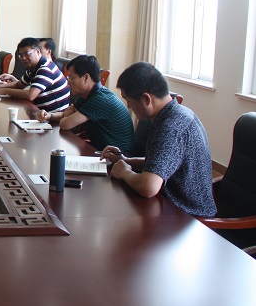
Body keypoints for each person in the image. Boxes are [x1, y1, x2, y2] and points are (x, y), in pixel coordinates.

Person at [100, 62, 216, 217]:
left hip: (188, 217)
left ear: (146, 99)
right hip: (171, 206)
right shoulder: (175, 113)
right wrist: (126, 160)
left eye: (129, 100)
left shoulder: (172, 127)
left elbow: (148, 187)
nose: (128, 106)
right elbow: (160, 163)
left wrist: (125, 172)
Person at [37, 55, 135, 154]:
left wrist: (67, 116)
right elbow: (66, 115)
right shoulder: (89, 94)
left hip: (118, 157)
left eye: (71, 78)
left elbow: (65, 124)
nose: (68, 83)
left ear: (86, 78)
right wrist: (49, 115)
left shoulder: (99, 99)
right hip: (103, 151)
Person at [0, 37, 70, 112]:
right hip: (41, 112)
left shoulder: (45, 68)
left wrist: (4, 91)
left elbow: (30, 95)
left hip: (53, 116)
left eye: (27, 54)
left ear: (38, 51)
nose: (23, 58)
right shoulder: (33, 67)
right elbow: (19, 85)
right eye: (21, 55)